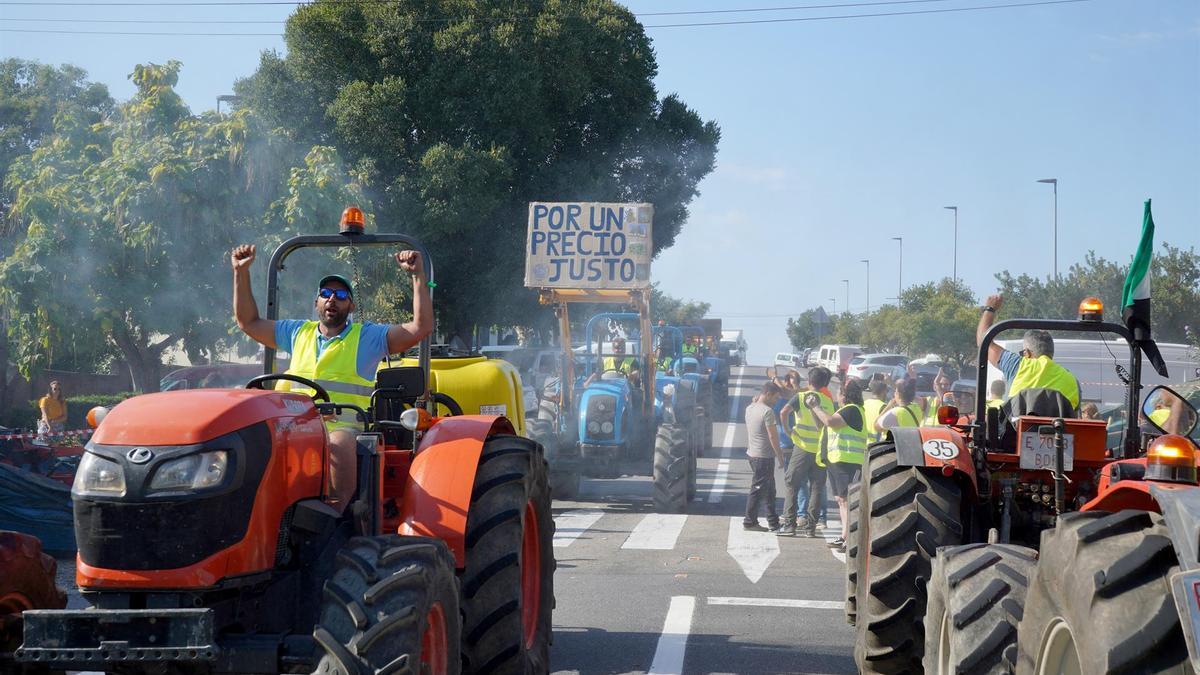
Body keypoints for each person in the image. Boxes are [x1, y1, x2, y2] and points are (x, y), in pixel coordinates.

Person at [230, 242, 432, 511]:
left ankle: (335, 518)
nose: (332, 299)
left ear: (350, 306)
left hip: (342, 429)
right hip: (291, 428)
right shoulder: (296, 332)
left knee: (338, 442)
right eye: (326, 293)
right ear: (316, 303)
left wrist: (417, 276)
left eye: (340, 295)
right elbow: (248, 322)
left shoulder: (367, 337)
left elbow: (420, 327)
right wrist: (240, 273)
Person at [977, 293, 1081, 412]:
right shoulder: (1071, 380)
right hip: (1060, 430)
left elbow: (983, 342)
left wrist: (990, 309)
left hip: (1018, 430)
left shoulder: (1018, 365)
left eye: (1022, 353)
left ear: (1027, 353)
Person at [806, 379, 867, 552]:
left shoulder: (852, 410)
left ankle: (848, 538)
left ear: (844, 395)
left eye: (839, 393)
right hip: (838, 461)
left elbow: (830, 422)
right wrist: (814, 408)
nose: (837, 396)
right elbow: (823, 425)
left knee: (847, 502)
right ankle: (844, 537)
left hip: (847, 461)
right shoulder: (845, 411)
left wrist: (816, 406)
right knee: (842, 501)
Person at [777, 366, 835, 537]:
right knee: (817, 488)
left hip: (802, 447)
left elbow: (783, 412)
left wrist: (788, 431)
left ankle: (790, 525)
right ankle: (810, 528)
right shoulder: (827, 401)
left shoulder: (801, 397)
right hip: (819, 451)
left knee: (791, 483)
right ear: (824, 384)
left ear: (809, 382)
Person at [743, 381, 787, 532]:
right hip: (763, 456)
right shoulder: (768, 412)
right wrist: (780, 457)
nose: (776, 402)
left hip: (752, 454)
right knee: (758, 488)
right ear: (768, 394)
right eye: (775, 398)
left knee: (769, 490)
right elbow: (773, 437)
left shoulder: (750, 408)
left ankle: (773, 521)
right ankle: (750, 521)